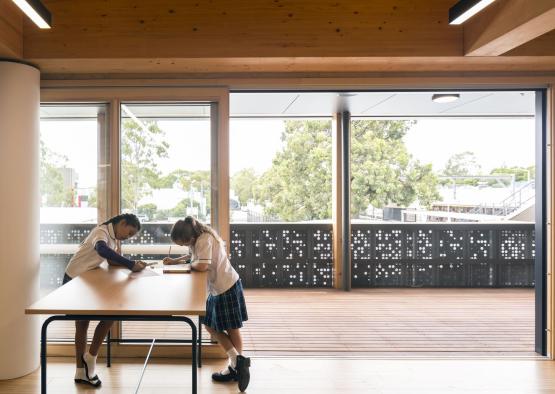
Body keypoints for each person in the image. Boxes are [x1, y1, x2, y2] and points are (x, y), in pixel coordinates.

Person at [164, 216, 251, 392]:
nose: (183, 246)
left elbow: (202, 265)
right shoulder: (197, 239)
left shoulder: (205, 239)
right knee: (210, 324)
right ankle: (237, 363)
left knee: (230, 328)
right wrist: (176, 261)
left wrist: (186, 265)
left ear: (189, 237)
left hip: (226, 286)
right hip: (218, 287)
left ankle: (236, 365)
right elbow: (193, 257)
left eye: (182, 242)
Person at [63, 213, 147, 387]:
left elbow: (111, 260)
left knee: (110, 314)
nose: (128, 238)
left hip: (86, 281)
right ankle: (84, 367)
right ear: (122, 223)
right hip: (74, 280)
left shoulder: (113, 238)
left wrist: (133, 264)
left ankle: (88, 361)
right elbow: (101, 250)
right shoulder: (100, 232)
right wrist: (130, 264)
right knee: (83, 323)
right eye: (129, 233)